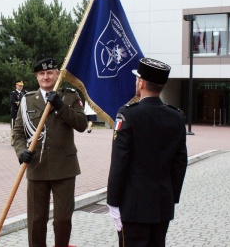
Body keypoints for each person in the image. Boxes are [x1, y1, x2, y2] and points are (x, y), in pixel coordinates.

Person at [106, 58, 188, 247]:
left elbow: (119, 162)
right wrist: (171, 196)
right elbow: (180, 163)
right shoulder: (176, 117)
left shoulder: (128, 114)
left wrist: (113, 202)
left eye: (137, 79)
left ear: (141, 83)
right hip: (162, 204)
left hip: (134, 207)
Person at [12, 57, 88, 247]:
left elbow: (81, 124)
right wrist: (21, 152)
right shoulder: (27, 101)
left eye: (49, 73)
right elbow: (18, 133)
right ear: (37, 77)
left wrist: (61, 106)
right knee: (36, 220)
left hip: (64, 168)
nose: (46, 77)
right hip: (37, 166)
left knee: (62, 220)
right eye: (41, 74)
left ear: (57, 74)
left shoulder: (70, 96)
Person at [10, 80, 26, 145]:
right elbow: (12, 101)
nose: (21, 87)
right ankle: (13, 141)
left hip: (21, 112)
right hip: (15, 112)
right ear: (16, 86)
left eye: (22, 86)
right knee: (14, 127)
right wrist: (18, 103)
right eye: (20, 85)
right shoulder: (13, 93)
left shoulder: (23, 93)